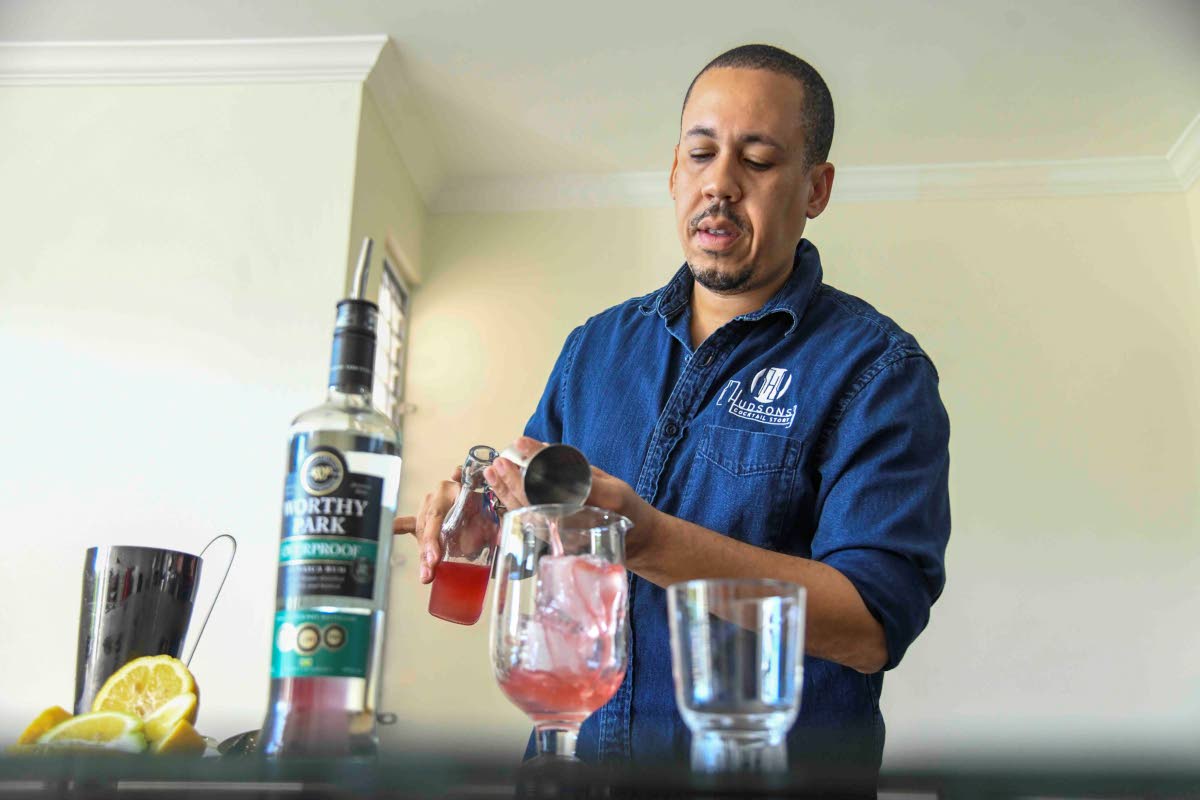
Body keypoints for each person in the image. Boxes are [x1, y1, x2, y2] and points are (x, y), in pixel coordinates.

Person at [395, 43, 950, 776]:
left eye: (757, 160)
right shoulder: (594, 347)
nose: (720, 183)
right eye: (700, 154)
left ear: (815, 188)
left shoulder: (879, 370)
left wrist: (647, 539)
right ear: (672, 173)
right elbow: (533, 506)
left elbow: (873, 624)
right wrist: (487, 518)